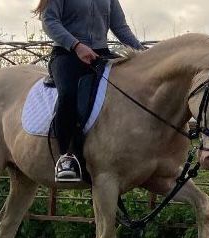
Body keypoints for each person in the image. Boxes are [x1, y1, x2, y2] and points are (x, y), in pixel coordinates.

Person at [33, 0, 145, 182]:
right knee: (69, 94)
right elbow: (50, 22)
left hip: (100, 55)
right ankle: (66, 156)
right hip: (67, 54)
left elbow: (120, 28)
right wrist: (76, 45)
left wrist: (144, 54)